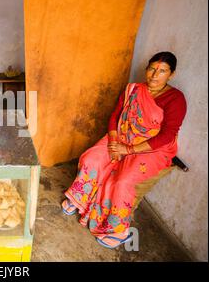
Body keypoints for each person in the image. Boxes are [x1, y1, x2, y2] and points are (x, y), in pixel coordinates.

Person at [62, 51, 187, 248]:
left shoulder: (175, 99)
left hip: (152, 148)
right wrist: (113, 141)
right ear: (146, 69)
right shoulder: (133, 89)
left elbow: (167, 136)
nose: (155, 75)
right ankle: (80, 200)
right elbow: (115, 115)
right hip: (122, 135)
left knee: (122, 181)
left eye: (162, 71)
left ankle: (116, 230)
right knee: (91, 159)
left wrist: (127, 150)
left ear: (171, 74)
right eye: (152, 69)